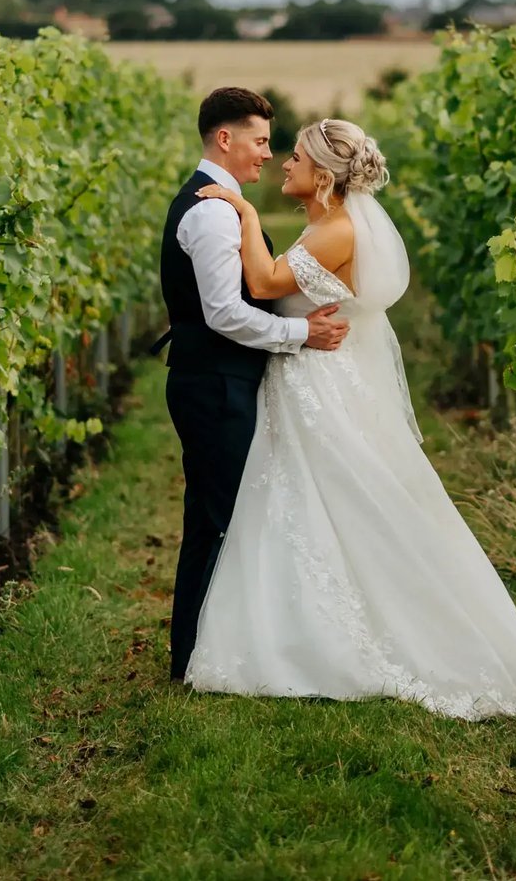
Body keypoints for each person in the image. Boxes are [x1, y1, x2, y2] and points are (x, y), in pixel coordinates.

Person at [181, 116, 516, 719]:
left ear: (324, 176)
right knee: (307, 503)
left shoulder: (335, 232)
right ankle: (299, 624)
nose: (285, 162)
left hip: (317, 379)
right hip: (306, 374)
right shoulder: (327, 224)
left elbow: (261, 282)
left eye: (297, 157)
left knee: (341, 501)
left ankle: (336, 636)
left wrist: (248, 216)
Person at [155, 88, 350, 685]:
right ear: (226, 139)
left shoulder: (226, 206)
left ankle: (210, 648)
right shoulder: (213, 210)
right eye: (261, 141)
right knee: (217, 521)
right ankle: (194, 658)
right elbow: (224, 315)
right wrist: (301, 333)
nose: (268, 154)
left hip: (220, 379)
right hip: (214, 382)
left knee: (223, 517)